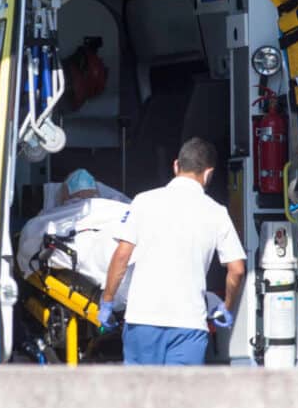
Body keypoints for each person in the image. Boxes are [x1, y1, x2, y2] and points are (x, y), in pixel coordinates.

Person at [99, 137, 246, 365]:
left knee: (139, 395)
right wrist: (226, 307)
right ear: (209, 174)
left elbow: (122, 255)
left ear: (176, 165)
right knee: (179, 398)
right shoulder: (217, 212)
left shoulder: (143, 201)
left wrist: (107, 301)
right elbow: (236, 269)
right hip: (188, 325)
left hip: (142, 320)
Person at [16, 169, 133, 305]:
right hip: (129, 250)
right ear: (96, 191)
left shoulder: (54, 215)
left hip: (111, 254)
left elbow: (30, 237)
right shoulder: (118, 207)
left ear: (65, 195)